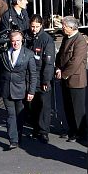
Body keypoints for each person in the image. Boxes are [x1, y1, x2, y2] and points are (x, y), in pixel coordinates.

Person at [0, 30, 39, 150]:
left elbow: (33, 75)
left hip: (21, 90)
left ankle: (19, 135)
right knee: (10, 115)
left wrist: (31, 91)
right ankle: (13, 140)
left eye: (18, 41)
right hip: (6, 89)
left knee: (20, 115)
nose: (15, 44)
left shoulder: (28, 54)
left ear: (22, 40)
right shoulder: (4, 53)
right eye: (13, 41)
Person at [55, 16, 88, 142]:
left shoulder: (80, 41)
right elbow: (60, 55)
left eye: (64, 26)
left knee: (77, 108)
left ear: (71, 27)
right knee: (68, 106)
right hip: (65, 77)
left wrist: (63, 74)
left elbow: (75, 62)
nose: (62, 28)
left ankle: (80, 132)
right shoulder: (66, 38)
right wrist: (58, 67)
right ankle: (71, 129)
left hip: (76, 80)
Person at [26, 15, 56, 143]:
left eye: (37, 27)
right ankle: (35, 128)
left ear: (41, 26)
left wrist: (46, 80)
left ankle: (44, 132)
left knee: (44, 105)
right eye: (32, 26)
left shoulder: (46, 40)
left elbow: (48, 63)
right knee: (32, 104)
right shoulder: (27, 36)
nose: (34, 29)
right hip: (30, 76)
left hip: (41, 76)